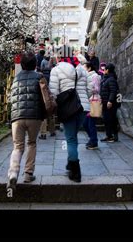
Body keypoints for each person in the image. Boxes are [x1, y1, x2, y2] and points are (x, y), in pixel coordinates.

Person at [49, 45, 88, 183]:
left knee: (70, 139)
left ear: (59, 55)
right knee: (73, 137)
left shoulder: (56, 70)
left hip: (69, 108)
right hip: (83, 108)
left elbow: (53, 93)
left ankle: (76, 172)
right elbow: (88, 89)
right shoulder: (81, 69)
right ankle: (70, 163)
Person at [7, 52, 46, 190]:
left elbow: (11, 99)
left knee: (17, 146)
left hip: (17, 117)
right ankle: (28, 174)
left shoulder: (16, 79)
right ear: (35, 64)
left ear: (22, 65)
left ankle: (13, 173)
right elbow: (45, 97)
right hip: (34, 117)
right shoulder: (39, 77)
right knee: (31, 143)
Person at [100, 63, 120, 143]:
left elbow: (113, 91)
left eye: (104, 70)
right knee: (107, 119)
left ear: (107, 70)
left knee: (110, 119)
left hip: (109, 103)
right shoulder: (107, 78)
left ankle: (112, 136)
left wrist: (110, 101)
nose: (103, 71)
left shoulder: (111, 79)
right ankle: (109, 135)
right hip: (105, 102)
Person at [83, 62, 101, 150]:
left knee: (90, 123)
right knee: (86, 123)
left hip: (93, 101)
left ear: (89, 68)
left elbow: (97, 89)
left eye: (85, 68)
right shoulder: (86, 77)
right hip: (88, 102)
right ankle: (92, 140)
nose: (84, 70)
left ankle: (94, 142)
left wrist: (89, 89)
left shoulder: (95, 76)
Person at [39, 56, 56, 140]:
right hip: (50, 97)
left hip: (43, 99)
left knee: (44, 117)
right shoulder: (49, 76)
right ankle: (52, 131)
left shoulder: (41, 79)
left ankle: (43, 133)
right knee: (51, 115)